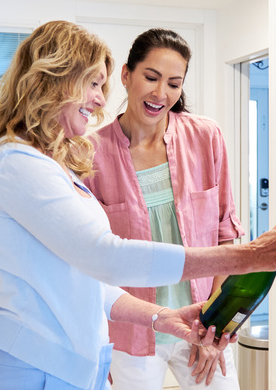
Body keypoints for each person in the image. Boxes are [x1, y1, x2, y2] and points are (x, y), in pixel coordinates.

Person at [0, 20, 276, 390]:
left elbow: (84, 278)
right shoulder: (15, 164)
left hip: (67, 370)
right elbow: (107, 258)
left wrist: (161, 317)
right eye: (92, 83)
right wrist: (251, 257)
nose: (101, 99)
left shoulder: (42, 163)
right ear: (54, 79)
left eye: (100, 86)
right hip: (33, 371)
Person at [83, 28, 244, 390]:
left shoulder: (206, 137)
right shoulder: (90, 153)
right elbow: (93, 257)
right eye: (151, 77)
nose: (161, 94)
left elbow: (226, 237)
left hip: (203, 323)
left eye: (174, 83)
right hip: (132, 333)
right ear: (126, 76)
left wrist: (216, 325)